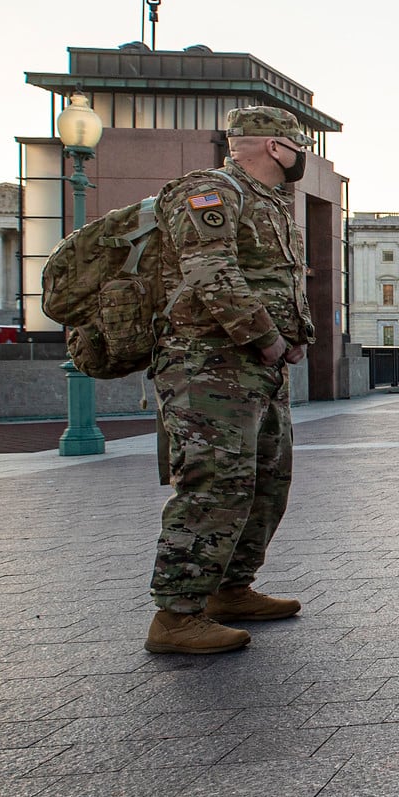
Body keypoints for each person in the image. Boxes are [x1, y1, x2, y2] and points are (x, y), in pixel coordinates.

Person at [145, 105, 314, 656]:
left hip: (257, 369)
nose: (302, 156)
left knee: (266, 480)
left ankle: (230, 589)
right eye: (298, 145)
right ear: (274, 146)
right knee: (215, 481)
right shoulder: (210, 190)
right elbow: (211, 272)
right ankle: (176, 614)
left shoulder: (270, 204)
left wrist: (296, 335)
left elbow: (279, 280)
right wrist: (266, 335)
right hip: (208, 364)